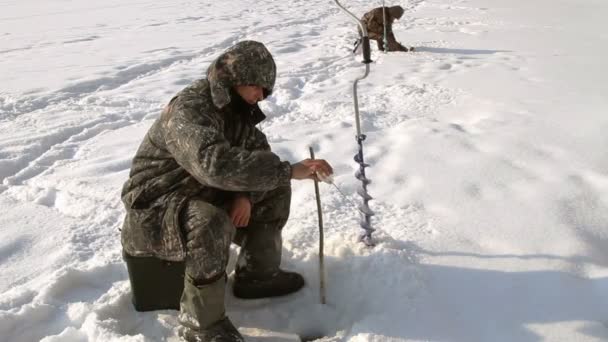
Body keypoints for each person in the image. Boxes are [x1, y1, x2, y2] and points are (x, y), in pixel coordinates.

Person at [120, 40, 333, 342]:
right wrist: (287, 170)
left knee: (272, 187)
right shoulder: (190, 109)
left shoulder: (235, 108)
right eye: (256, 86)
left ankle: (256, 275)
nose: (261, 95)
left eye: (266, 90)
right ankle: (202, 325)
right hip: (157, 205)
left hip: (197, 189)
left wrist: (243, 194)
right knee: (210, 222)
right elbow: (213, 165)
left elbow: (255, 149)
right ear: (233, 80)